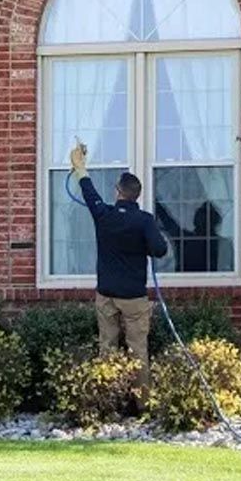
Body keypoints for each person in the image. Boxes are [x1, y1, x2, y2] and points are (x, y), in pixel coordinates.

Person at [70, 143, 168, 393]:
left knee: (107, 348)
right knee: (138, 350)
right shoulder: (144, 220)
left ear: (117, 192)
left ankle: (107, 401)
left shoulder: (104, 215)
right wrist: (143, 244)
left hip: (106, 294)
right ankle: (142, 403)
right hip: (134, 297)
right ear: (137, 195)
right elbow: (160, 250)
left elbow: (89, 193)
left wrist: (80, 167)